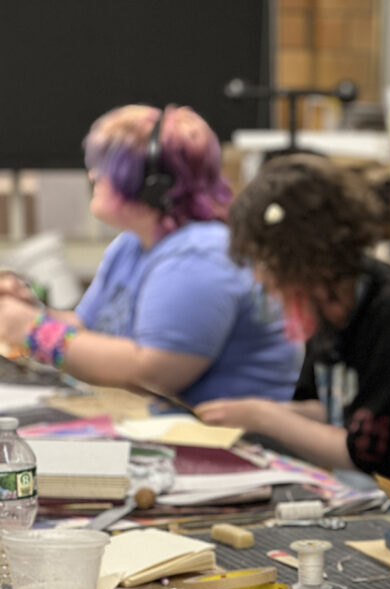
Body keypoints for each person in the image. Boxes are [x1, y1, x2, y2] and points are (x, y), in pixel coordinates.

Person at [196, 153, 390, 486]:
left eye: (267, 263)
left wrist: (265, 417)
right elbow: (325, 409)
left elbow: (370, 456)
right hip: (368, 486)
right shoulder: (327, 305)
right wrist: (247, 414)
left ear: (304, 256)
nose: (261, 278)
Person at [0, 104, 302, 404]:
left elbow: (154, 373)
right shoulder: (132, 245)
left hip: (235, 439)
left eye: (108, 167)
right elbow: (87, 330)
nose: (94, 175)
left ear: (153, 184)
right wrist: (29, 311)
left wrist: (30, 329)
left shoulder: (200, 257)